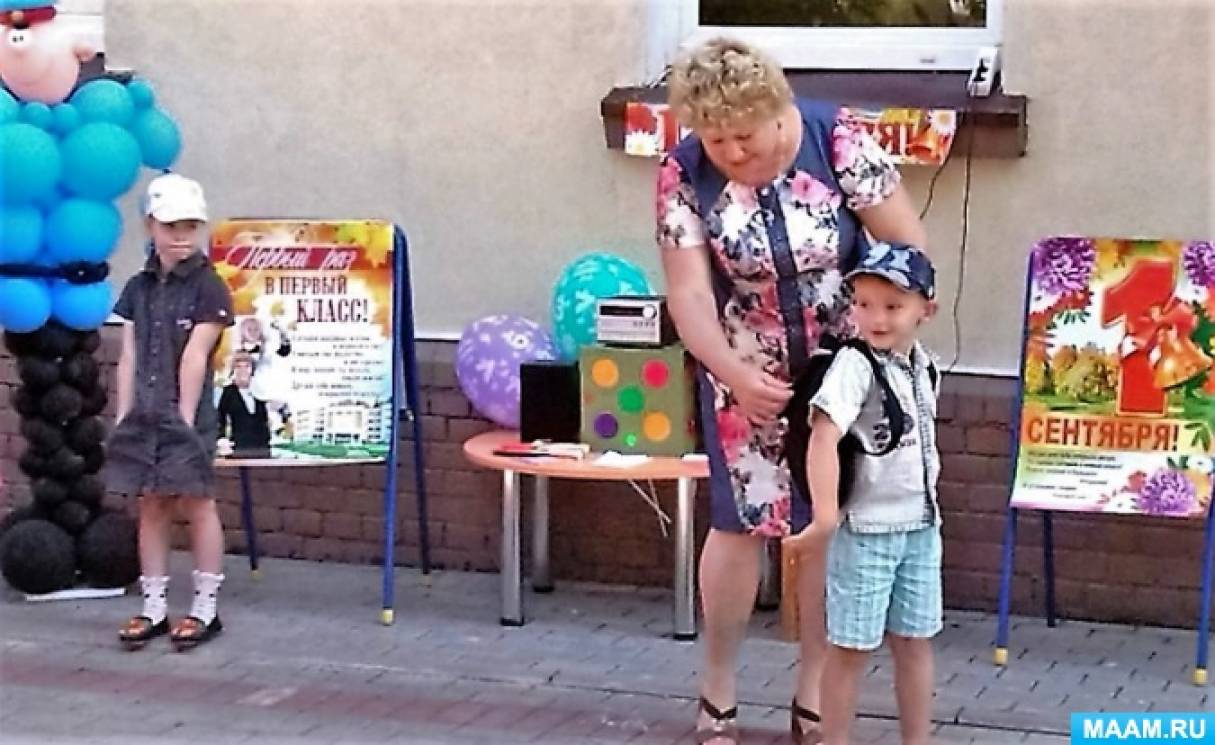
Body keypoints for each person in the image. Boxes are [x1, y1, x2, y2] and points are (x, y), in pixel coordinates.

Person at [656, 37, 927, 743]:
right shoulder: (681, 172)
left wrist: (879, 347)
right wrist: (731, 372)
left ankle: (812, 689)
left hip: (846, 369)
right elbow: (688, 291)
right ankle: (718, 685)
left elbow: (906, 253)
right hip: (743, 366)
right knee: (738, 523)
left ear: (776, 108)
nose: (730, 152)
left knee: (825, 527)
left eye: (743, 135)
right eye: (715, 139)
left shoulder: (837, 139)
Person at [787, 244, 941, 745]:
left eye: (893, 306)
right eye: (864, 304)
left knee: (915, 642)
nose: (877, 318)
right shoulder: (854, 366)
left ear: (926, 310)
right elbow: (824, 435)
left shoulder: (923, 366)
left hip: (921, 525)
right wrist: (824, 516)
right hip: (866, 530)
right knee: (851, 649)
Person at [108, 173, 234, 651]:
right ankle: (154, 606)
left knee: (198, 503)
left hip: (186, 418)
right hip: (144, 414)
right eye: (170, 226)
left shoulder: (209, 287)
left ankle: (205, 607)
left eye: (190, 226)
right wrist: (124, 413)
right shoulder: (138, 288)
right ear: (150, 226)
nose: (181, 236)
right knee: (152, 503)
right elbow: (129, 355)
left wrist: (182, 418)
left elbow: (196, 355)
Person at [216, 352, 273, 457]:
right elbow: (220, 418)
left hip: (261, 449)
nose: (243, 370)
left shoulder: (260, 391)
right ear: (233, 370)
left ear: (252, 370)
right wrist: (221, 439)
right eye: (238, 367)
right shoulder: (228, 392)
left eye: (247, 366)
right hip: (238, 448)